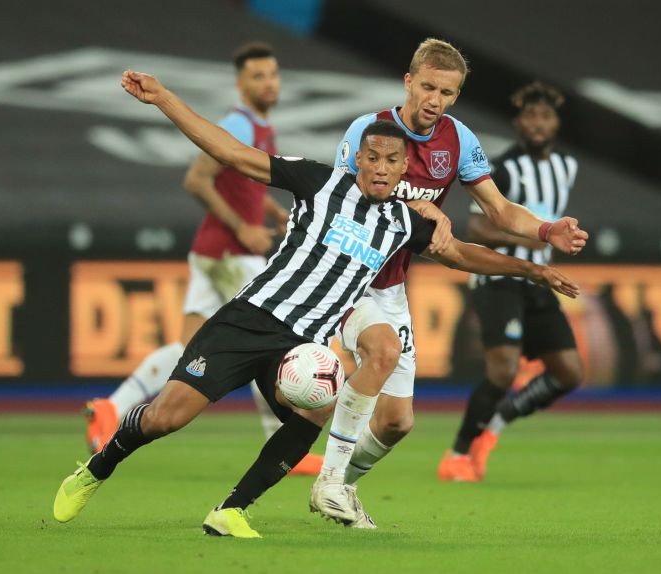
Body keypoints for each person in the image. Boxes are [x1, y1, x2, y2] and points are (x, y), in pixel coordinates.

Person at [53, 70, 580, 539]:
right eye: (372, 157)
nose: (380, 168)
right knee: (165, 419)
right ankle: (97, 468)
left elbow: (462, 253)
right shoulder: (318, 180)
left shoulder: (404, 224)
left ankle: (232, 510)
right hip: (248, 320)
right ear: (357, 157)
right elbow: (233, 156)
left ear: (404, 173)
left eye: (391, 161)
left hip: (298, 343)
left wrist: (532, 267)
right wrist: (165, 99)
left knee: (321, 405)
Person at [310, 39, 589, 526]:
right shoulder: (368, 131)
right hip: (347, 276)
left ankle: (340, 485)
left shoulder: (458, 140)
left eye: (448, 91)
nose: (435, 100)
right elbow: (337, 207)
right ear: (409, 82)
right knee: (381, 353)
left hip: (392, 288)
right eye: (428, 87)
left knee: (398, 423)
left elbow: (500, 211)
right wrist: (416, 208)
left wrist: (546, 231)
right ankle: (329, 483)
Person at [82, 43, 323, 474]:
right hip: (230, 251)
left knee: (184, 346)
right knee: (266, 339)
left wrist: (270, 213)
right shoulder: (238, 123)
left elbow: (243, 183)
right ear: (240, 83)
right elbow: (197, 179)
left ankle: (110, 407)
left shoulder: (259, 125)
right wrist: (242, 226)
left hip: (214, 251)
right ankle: (280, 439)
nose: (269, 83)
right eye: (258, 76)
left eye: (272, 74)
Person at [437, 81, 584, 482]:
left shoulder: (565, 167)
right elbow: (478, 227)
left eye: (546, 116)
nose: (538, 123)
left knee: (569, 372)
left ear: (556, 123)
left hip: (540, 281)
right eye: (530, 115)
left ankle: (496, 425)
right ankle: (457, 455)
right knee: (502, 371)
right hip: (500, 279)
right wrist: (533, 233)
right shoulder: (501, 168)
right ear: (518, 121)